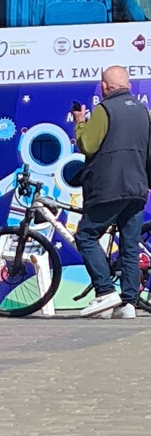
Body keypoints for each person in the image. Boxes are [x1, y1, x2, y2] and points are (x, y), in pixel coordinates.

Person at [70, 64, 151, 318]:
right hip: (137, 188)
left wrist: (80, 123)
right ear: (127, 84)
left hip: (109, 187)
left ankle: (105, 291)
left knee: (86, 236)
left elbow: (88, 145)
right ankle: (129, 303)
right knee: (129, 245)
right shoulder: (143, 112)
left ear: (105, 86)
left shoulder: (104, 110)